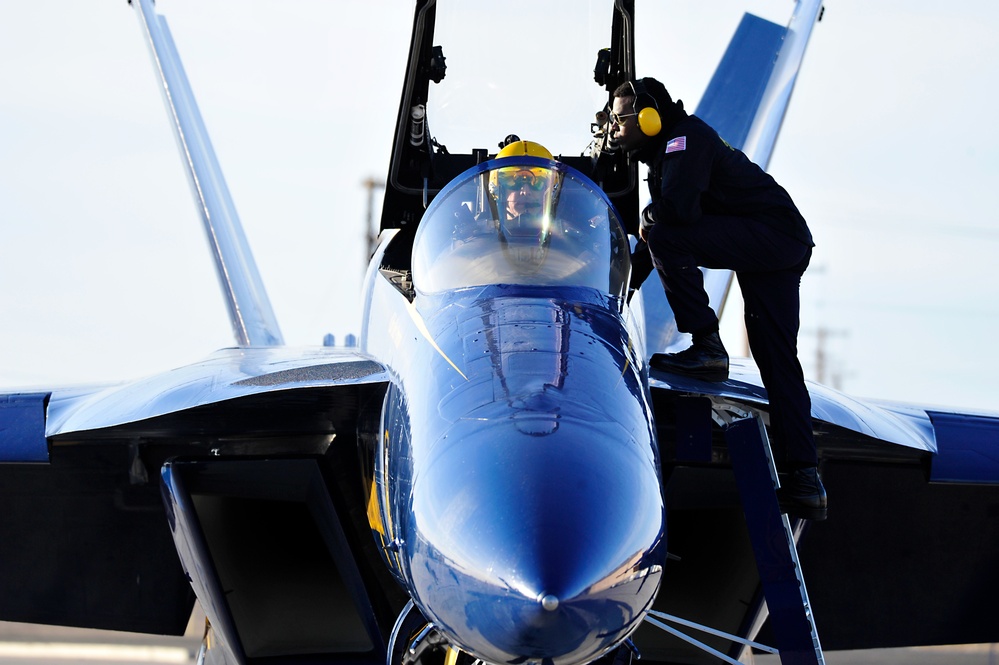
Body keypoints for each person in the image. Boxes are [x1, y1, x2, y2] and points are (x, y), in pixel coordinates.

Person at [610, 77, 826, 521]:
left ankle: (707, 346)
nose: (614, 127)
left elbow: (675, 220)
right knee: (777, 361)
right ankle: (805, 481)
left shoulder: (684, 140)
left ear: (649, 116)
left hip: (772, 237)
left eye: (621, 116)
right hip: (779, 244)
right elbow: (657, 240)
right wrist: (621, 292)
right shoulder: (668, 152)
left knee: (669, 233)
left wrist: (651, 218)